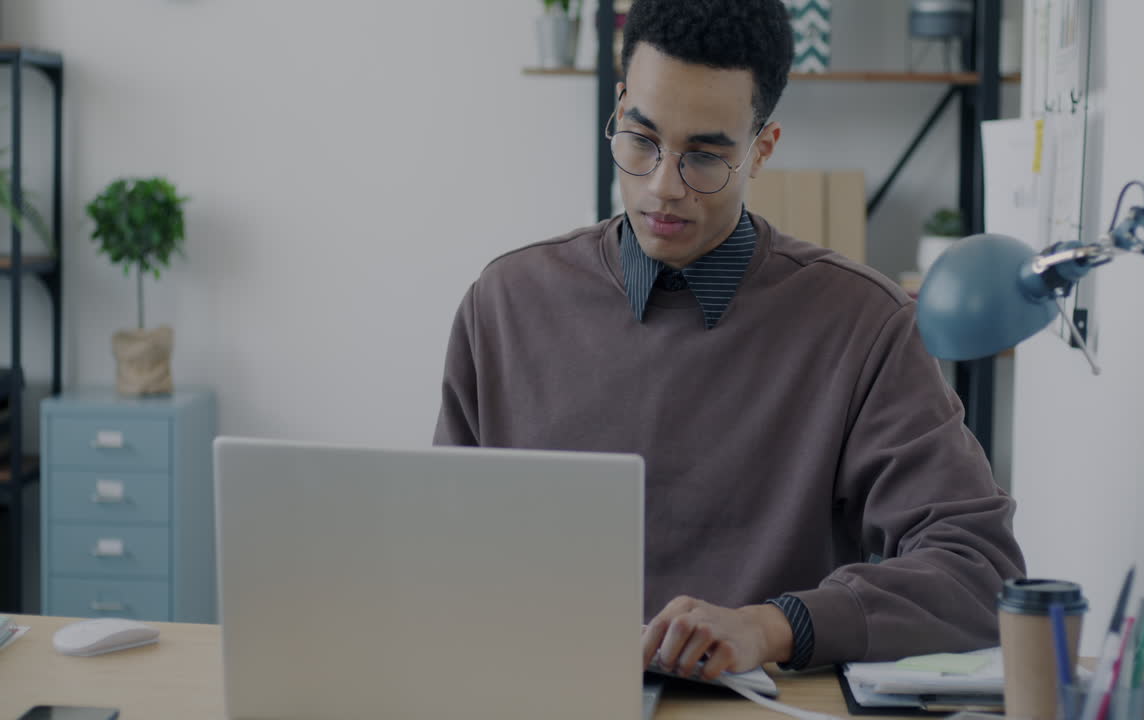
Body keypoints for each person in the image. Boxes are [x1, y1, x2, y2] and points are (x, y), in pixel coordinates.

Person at [434, 0, 1024, 681]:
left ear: (761, 149)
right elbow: (442, 551)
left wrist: (771, 626)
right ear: (620, 106)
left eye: (705, 156)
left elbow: (979, 570)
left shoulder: (860, 325)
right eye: (641, 140)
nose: (662, 187)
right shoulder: (507, 303)